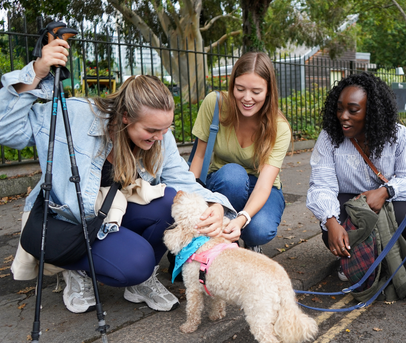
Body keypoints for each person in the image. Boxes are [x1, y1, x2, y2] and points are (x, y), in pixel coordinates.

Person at [0, 38, 234, 314]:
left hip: (112, 214)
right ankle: (77, 268)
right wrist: (37, 72)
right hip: (71, 220)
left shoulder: (161, 137)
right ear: (125, 116)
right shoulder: (74, 116)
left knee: (173, 200)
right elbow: (7, 130)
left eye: (165, 129)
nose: (160, 138)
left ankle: (137, 280)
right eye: (151, 131)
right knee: (137, 263)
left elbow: (183, 181)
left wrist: (218, 207)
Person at [306, 72, 406, 280]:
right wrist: (331, 222)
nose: (343, 116)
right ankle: (352, 259)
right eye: (340, 109)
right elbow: (321, 186)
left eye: (353, 110)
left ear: (372, 112)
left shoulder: (397, 135)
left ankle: (383, 257)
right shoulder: (329, 137)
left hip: (384, 201)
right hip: (347, 204)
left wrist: (385, 191)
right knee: (331, 228)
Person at [189, 52, 291, 253]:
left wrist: (242, 218)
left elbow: (264, 184)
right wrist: (188, 199)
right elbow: (198, 156)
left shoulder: (279, 128)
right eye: (240, 89)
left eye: (256, 91)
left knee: (259, 230)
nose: (247, 98)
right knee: (233, 176)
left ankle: (240, 232)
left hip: (260, 185)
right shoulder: (215, 104)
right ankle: (221, 243)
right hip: (222, 181)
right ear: (232, 85)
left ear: (269, 91)